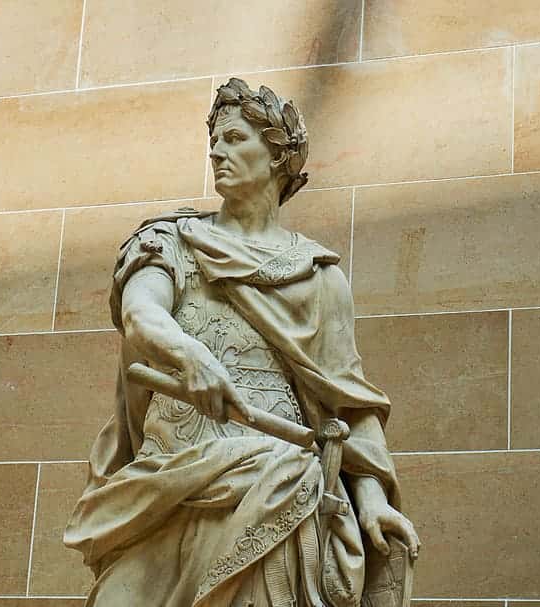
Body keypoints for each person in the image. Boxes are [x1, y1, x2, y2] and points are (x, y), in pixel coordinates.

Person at [64, 78, 420, 607]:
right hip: (169, 480)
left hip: (274, 493)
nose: (216, 151)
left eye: (234, 138)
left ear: (278, 156)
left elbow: (348, 403)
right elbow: (141, 313)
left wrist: (371, 497)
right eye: (214, 140)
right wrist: (189, 354)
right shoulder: (171, 241)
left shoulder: (319, 279)